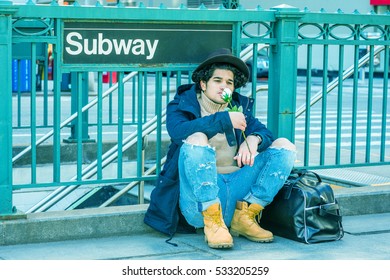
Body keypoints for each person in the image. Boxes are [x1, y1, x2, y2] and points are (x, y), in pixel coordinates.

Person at [144, 48, 296, 249]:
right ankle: (213, 222)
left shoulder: (237, 107)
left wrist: (253, 138)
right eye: (218, 80)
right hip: (199, 204)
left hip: (238, 194)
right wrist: (224, 120)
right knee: (197, 137)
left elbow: (264, 132)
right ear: (203, 83)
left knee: (285, 146)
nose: (224, 86)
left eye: (229, 82)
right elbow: (178, 131)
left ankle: (246, 216)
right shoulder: (182, 104)